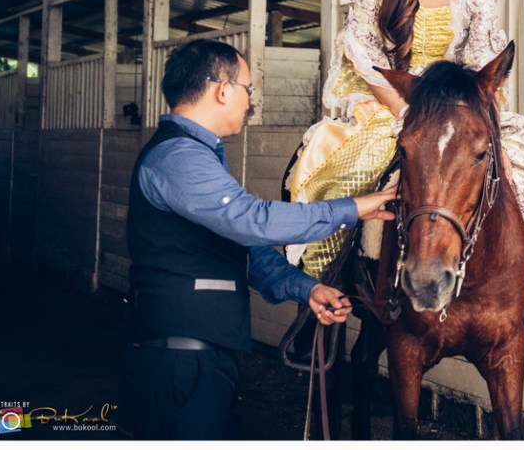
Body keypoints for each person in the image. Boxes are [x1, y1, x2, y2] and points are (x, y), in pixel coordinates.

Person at [285, 0, 524, 357]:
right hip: (392, 100)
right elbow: (363, 48)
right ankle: (318, 299)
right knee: (339, 174)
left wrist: (489, 136)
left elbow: (484, 63)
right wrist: (402, 109)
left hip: (458, 105)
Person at [122, 39, 400, 440]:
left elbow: (244, 250)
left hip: (203, 356)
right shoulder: (178, 158)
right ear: (222, 90)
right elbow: (251, 221)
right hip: (180, 362)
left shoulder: (198, 155)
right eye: (247, 90)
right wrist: (351, 208)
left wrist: (307, 289)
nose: (249, 102)